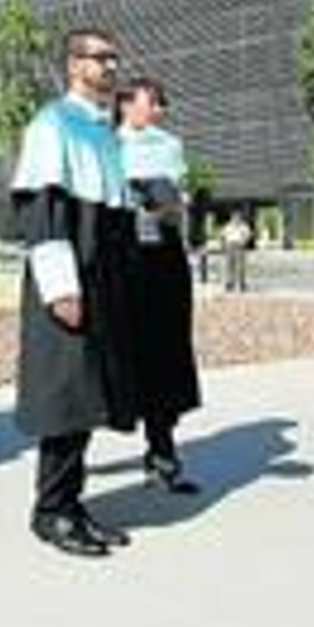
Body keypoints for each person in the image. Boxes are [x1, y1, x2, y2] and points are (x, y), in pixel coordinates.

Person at [10, 29, 139, 557]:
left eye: (114, 57)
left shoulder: (104, 130)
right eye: (99, 57)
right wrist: (60, 285)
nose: (110, 66)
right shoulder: (52, 123)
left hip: (102, 271)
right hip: (69, 273)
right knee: (66, 392)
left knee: (90, 395)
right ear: (73, 64)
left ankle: (71, 502)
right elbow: (44, 208)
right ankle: (51, 511)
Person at [116, 78, 202, 495]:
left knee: (165, 353)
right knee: (117, 353)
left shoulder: (170, 145)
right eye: (153, 102)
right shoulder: (106, 144)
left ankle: (163, 453)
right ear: (127, 105)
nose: (160, 110)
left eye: (162, 103)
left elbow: (180, 195)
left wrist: (168, 198)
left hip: (164, 254)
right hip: (123, 256)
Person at [219, 211, 252, 293]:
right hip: (230, 246)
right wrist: (224, 245)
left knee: (240, 266)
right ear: (232, 218)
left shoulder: (243, 226)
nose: (236, 219)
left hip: (239, 246)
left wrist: (243, 242)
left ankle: (242, 284)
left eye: (238, 217)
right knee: (229, 266)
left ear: (240, 218)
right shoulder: (228, 226)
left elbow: (248, 235)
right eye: (234, 217)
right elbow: (223, 236)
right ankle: (230, 284)